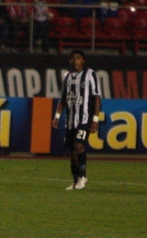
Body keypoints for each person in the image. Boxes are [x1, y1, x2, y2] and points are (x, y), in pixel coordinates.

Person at [52, 49, 101, 190]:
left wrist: (95, 119)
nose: (75, 60)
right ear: (70, 60)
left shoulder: (90, 74)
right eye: (73, 58)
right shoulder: (66, 77)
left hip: (84, 119)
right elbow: (63, 99)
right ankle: (75, 180)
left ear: (83, 60)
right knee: (72, 151)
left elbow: (96, 97)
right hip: (70, 120)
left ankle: (83, 176)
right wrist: (57, 116)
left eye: (78, 58)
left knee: (79, 145)